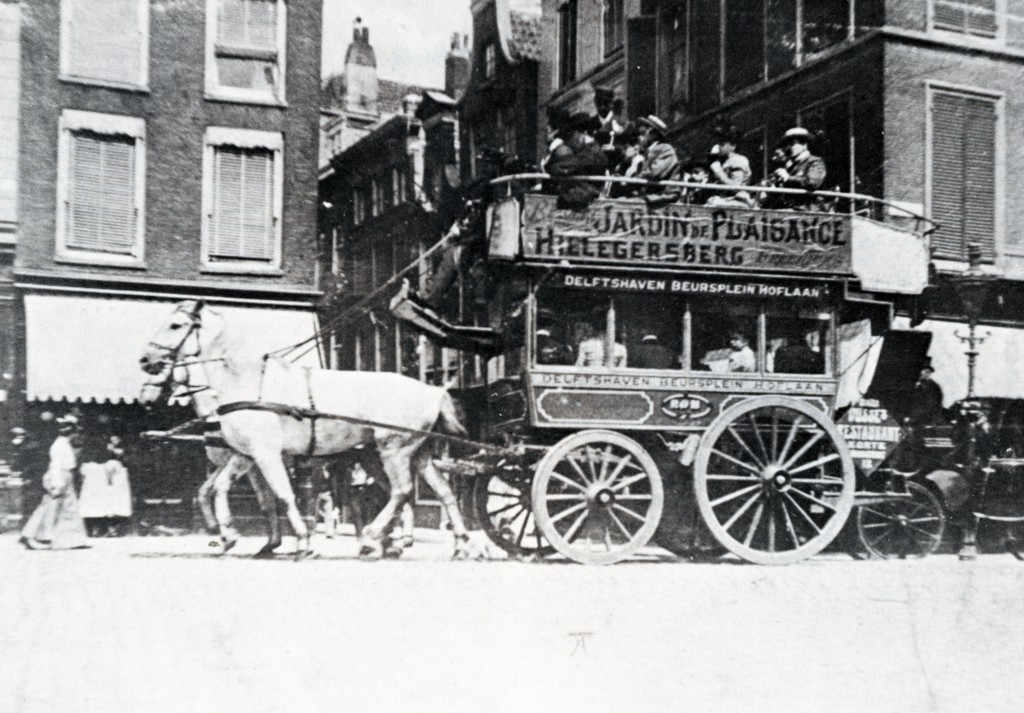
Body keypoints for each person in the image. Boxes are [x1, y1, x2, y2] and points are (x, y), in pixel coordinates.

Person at [19, 414, 89, 550]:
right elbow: (56, 466)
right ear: (70, 432)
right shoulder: (59, 446)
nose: (76, 435)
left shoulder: (65, 445)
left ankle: (73, 540)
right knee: (51, 506)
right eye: (75, 432)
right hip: (60, 478)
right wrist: (57, 485)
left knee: (68, 508)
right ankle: (32, 535)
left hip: (66, 478)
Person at [546, 112, 609, 209]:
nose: (569, 142)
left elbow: (557, 167)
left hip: (589, 206)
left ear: (579, 133)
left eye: (570, 136)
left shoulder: (591, 153)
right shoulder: (591, 151)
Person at [771, 127, 827, 210]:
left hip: (809, 210)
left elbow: (812, 182)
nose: (789, 148)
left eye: (793, 144)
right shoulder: (791, 166)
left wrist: (787, 178)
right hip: (791, 209)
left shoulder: (815, 162)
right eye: (787, 144)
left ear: (804, 145)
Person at [707, 126, 753, 206]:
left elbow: (736, 187)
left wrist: (718, 171)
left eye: (722, 144)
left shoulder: (738, 160)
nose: (718, 147)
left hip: (736, 202)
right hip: (724, 200)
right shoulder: (723, 161)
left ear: (733, 146)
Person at [637, 115, 680, 186]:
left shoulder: (666, 149)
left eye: (643, 133)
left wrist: (634, 178)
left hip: (664, 193)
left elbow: (654, 172)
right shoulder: (648, 151)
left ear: (654, 134)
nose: (639, 137)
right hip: (649, 192)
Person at [909, 360, 945, 427]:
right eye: (924, 371)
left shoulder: (935, 386)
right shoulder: (913, 384)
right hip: (915, 417)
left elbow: (938, 401)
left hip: (930, 417)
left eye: (928, 372)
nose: (926, 374)